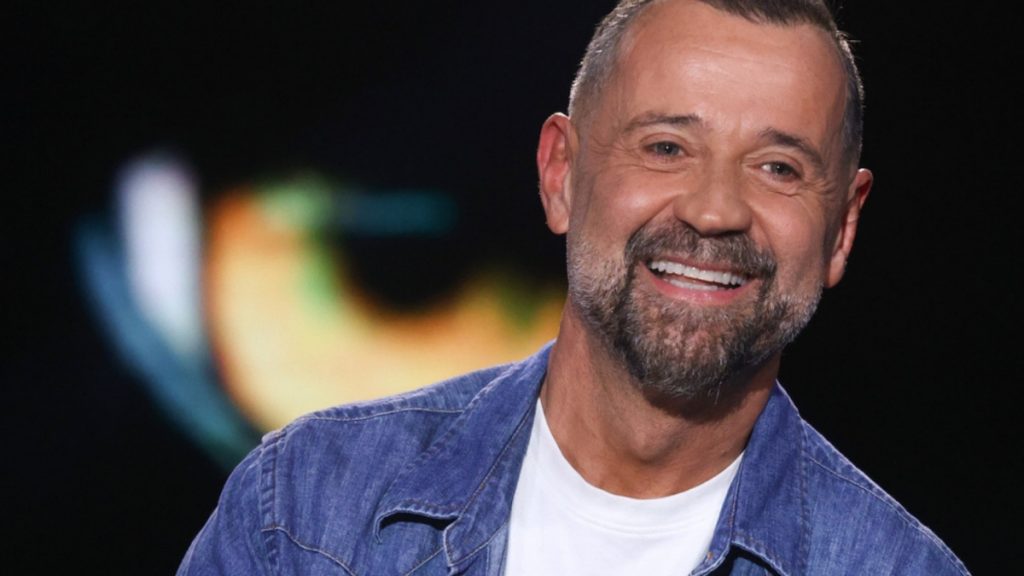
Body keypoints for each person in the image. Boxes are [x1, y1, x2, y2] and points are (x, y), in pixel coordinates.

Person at [178, 0, 969, 574]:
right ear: (560, 174)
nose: (714, 210)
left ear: (843, 227)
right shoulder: (305, 504)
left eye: (778, 168)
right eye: (666, 147)